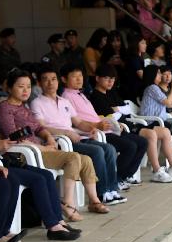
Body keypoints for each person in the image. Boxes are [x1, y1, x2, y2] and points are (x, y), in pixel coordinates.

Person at [0, 76, 80, 242]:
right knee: (24, 180)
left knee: (44, 175)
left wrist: (4, 145)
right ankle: (52, 226)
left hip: (1, 158)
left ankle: (57, 221)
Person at [0, 68, 109, 218]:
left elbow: (38, 127)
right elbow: (13, 137)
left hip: (41, 149)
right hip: (25, 154)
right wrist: (43, 147)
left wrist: (48, 136)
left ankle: (94, 201)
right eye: (20, 86)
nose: (25, 90)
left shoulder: (23, 107)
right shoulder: (4, 108)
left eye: (28, 87)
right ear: (9, 88)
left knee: (86, 159)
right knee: (73, 157)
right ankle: (68, 204)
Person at [30, 66, 127, 205]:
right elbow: (41, 127)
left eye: (53, 79)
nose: (50, 83)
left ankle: (112, 189)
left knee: (109, 149)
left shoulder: (64, 101)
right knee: (97, 151)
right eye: (45, 80)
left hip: (75, 138)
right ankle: (102, 193)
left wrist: (92, 128)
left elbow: (79, 122)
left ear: (58, 82)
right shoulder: (36, 103)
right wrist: (66, 133)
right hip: (61, 142)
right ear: (39, 83)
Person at [89, 64, 172, 183]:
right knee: (148, 136)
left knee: (162, 133)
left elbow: (124, 108)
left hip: (128, 122)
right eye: (106, 78)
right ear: (97, 78)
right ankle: (155, 171)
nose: (110, 81)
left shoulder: (111, 93)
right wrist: (119, 110)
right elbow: (110, 114)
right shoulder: (95, 96)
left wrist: (118, 110)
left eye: (113, 79)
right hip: (117, 127)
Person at [61, 63, 147, 188]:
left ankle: (123, 176)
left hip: (105, 128)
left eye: (80, 76)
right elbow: (76, 121)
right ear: (64, 79)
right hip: (94, 132)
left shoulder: (80, 94)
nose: (79, 79)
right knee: (130, 146)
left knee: (142, 142)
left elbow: (95, 116)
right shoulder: (67, 97)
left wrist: (114, 124)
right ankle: (117, 179)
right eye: (74, 77)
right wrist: (97, 126)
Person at [139, 65, 172, 175]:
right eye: (158, 73)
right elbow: (168, 102)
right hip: (150, 122)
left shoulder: (156, 88)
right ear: (152, 75)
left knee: (171, 130)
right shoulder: (152, 88)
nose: (160, 75)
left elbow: (171, 103)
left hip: (157, 122)